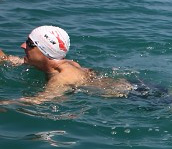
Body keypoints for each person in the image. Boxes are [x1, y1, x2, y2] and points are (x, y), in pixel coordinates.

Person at [0, 25, 134, 104]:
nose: (23, 46)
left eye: (30, 44)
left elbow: (38, 101)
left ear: (44, 51)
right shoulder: (63, 64)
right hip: (128, 85)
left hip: (134, 97)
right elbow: (10, 59)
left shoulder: (61, 78)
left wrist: (6, 103)